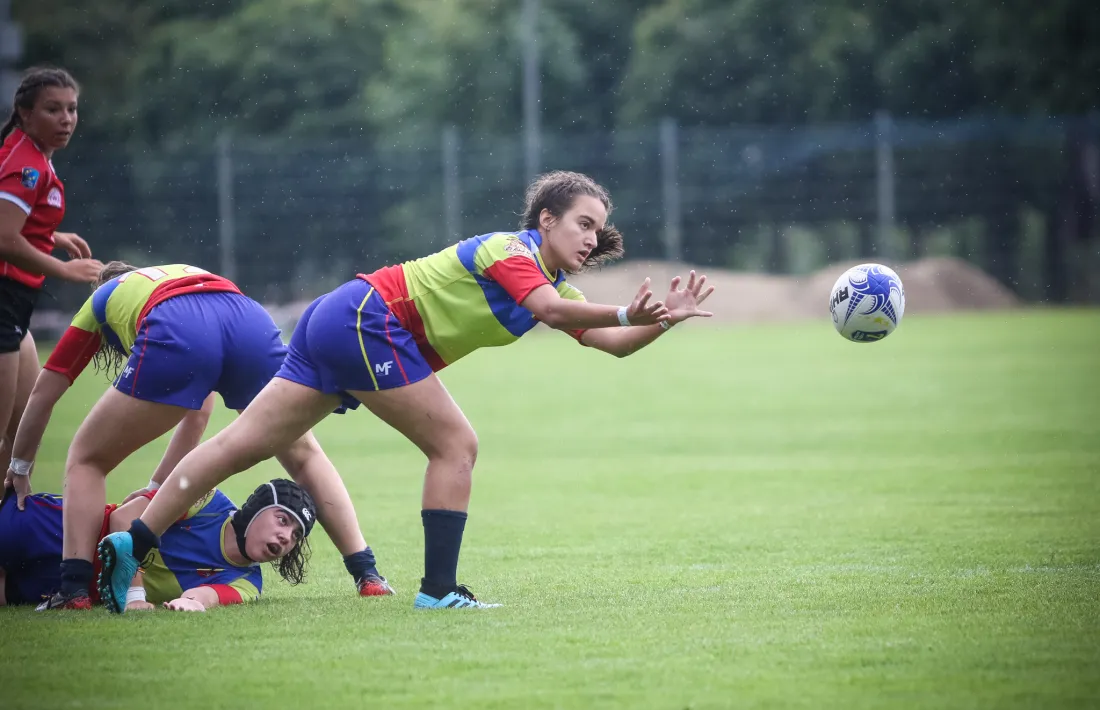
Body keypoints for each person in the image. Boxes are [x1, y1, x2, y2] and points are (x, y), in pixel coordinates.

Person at [99, 170, 714, 613]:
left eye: (598, 230)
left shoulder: (553, 281)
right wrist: (625, 311)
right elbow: (553, 313)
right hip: (368, 320)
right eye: (583, 223)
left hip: (340, 317)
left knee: (241, 445)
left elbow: (611, 344)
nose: (591, 238)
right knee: (456, 445)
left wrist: (660, 321)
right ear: (546, 219)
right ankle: (439, 591)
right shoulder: (513, 250)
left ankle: (133, 543)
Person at [5, 261, 392, 610]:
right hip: (247, 318)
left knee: (87, 459)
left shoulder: (102, 302)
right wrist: (158, 490)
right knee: (303, 453)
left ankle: (73, 591)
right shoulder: (180, 272)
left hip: (179, 323)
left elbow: (45, 390)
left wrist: (20, 464)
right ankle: (366, 572)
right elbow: (199, 407)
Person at [0, 67, 103, 506]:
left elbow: (15, 226)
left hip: (16, 307)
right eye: (53, 109)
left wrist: (49, 237)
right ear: (24, 113)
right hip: (4, 301)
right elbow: (3, 238)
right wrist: (64, 271)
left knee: (22, 431)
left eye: (72, 109)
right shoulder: (25, 164)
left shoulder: (35, 153)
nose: (66, 119)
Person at [0, 478, 316, 612]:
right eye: (283, 520)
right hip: (62, 530)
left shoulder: (248, 585)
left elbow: (202, 596)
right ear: (258, 508)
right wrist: (134, 595)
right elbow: (123, 520)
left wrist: (192, 603)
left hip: (70, 587)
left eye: (296, 535)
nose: (286, 537)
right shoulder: (206, 500)